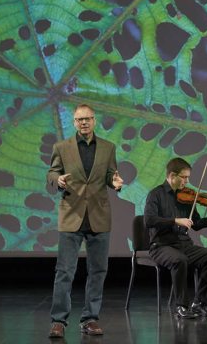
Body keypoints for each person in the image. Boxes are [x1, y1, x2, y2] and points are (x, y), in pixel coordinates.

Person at [46, 104, 123, 339]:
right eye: (80, 120)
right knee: (65, 271)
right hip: (72, 215)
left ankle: (90, 318)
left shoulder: (108, 148)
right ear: (74, 122)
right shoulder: (62, 147)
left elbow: (111, 175)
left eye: (88, 119)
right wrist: (57, 180)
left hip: (98, 216)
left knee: (98, 270)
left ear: (94, 120)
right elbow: (52, 173)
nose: (84, 123)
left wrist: (115, 182)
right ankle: (59, 321)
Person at [144, 157, 207, 319]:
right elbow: (149, 220)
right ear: (172, 175)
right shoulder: (155, 194)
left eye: (188, 177)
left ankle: (199, 303)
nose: (187, 181)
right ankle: (181, 306)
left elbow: (197, 224)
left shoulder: (186, 197)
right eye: (184, 177)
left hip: (183, 244)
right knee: (180, 260)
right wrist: (175, 220)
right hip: (161, 246)